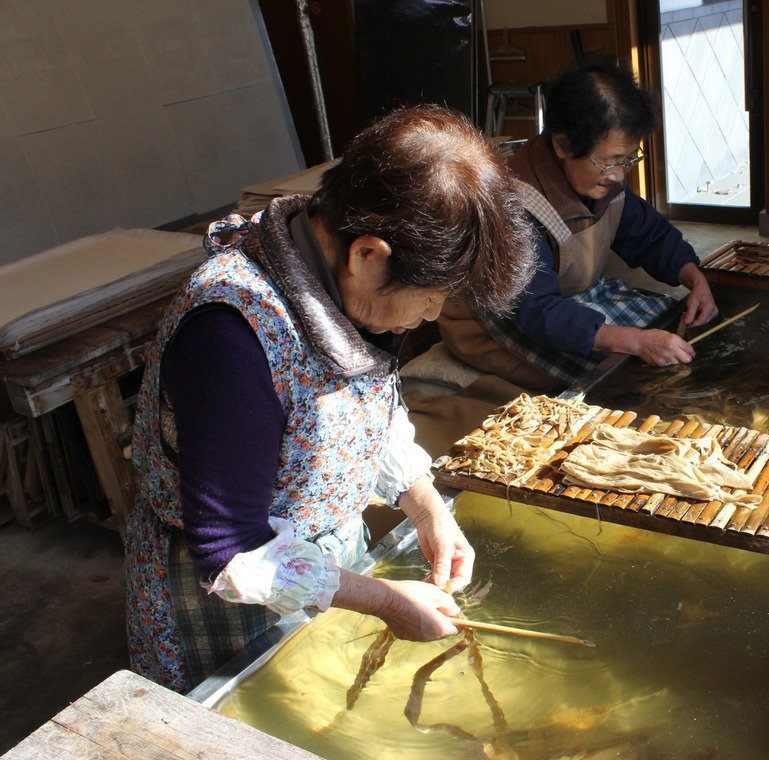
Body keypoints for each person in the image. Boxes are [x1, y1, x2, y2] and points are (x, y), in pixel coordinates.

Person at [125, 105, 536, 693]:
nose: (433, 314)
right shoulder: (231, 333)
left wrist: (426, 508)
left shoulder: (339, 283)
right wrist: (387, 601)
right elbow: (230, 552)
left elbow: (368, 408)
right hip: (227, 596)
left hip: (325, 567)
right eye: (432, 294)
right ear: (366, 253)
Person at [436, 57, 719, 391]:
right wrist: (636, 342)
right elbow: (538, 313)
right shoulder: (513, 205)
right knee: (634, 376)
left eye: (628, 160)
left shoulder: (601, 178)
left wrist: (696, 281)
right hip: (509, 320)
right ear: (562, 144)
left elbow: (649, 235)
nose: (618, 174)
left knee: (678, 330)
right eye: (609, 162)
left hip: (572, 297)